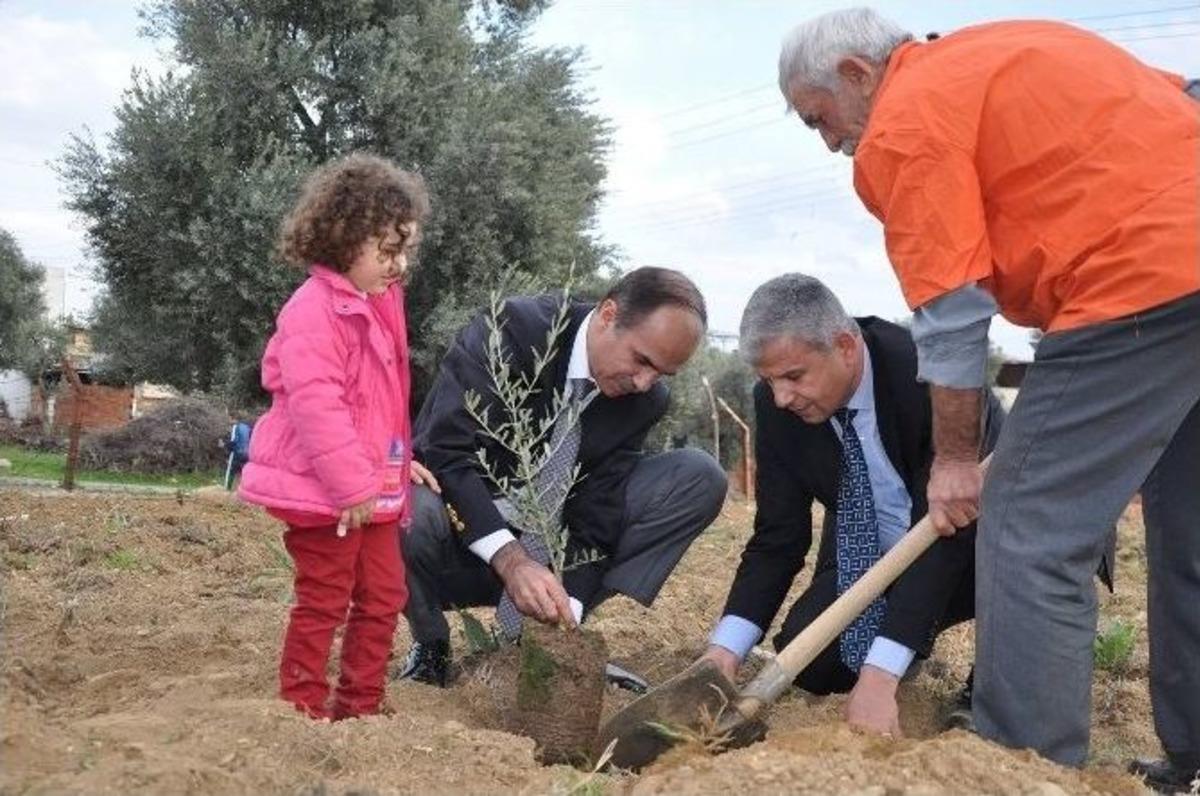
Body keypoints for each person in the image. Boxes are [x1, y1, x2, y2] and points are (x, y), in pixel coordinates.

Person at [777, 7, 1200, 788]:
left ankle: (1021, 771)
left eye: (819, 119)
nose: (831, 141)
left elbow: (950, 313)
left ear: (855, 75)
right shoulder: (1009, 47)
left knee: (1029, 531)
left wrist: (957, 459)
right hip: (1182, 258)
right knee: (1191, 528)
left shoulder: (904, 124)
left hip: (1135, 285)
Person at [700, 274, 1003, 736]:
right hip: (883, 557)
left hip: (986, 537)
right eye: (768, 380)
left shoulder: (926, 374)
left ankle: (986, 691)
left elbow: (944, 529)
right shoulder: (778, 405)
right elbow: (778, 537)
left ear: (844, 346)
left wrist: (880, 676)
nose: (781, 397)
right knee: (819, 666)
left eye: (793, 376)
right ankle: (906, 640)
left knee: (1009, 563)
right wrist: (723, 654)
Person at [396, 267, 727, 688]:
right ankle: (430, 645)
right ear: (608, 314)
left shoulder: (643, 401)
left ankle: (536, 640)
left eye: (661, 373)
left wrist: (563, 616)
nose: (645, 382)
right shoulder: (512, 332)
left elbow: (598, 511)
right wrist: (512, 560)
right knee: (408, 502)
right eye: (641, 360)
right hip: (458, 539)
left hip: (548, 551)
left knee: (699, 476)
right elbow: (445, 453)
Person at [239, 153, 437, 720]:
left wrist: (400, 464)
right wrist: (353, 485)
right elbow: (317, 404)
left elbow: (381, 401)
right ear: (342, 238)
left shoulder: (380, 301)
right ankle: (299, 708)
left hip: (369, 491)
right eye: (387, 250)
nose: (398, 265)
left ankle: (360, 705)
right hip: (325, 492)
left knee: (382, 598)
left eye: (406, 251)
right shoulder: (313, 310)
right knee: (324, 599)